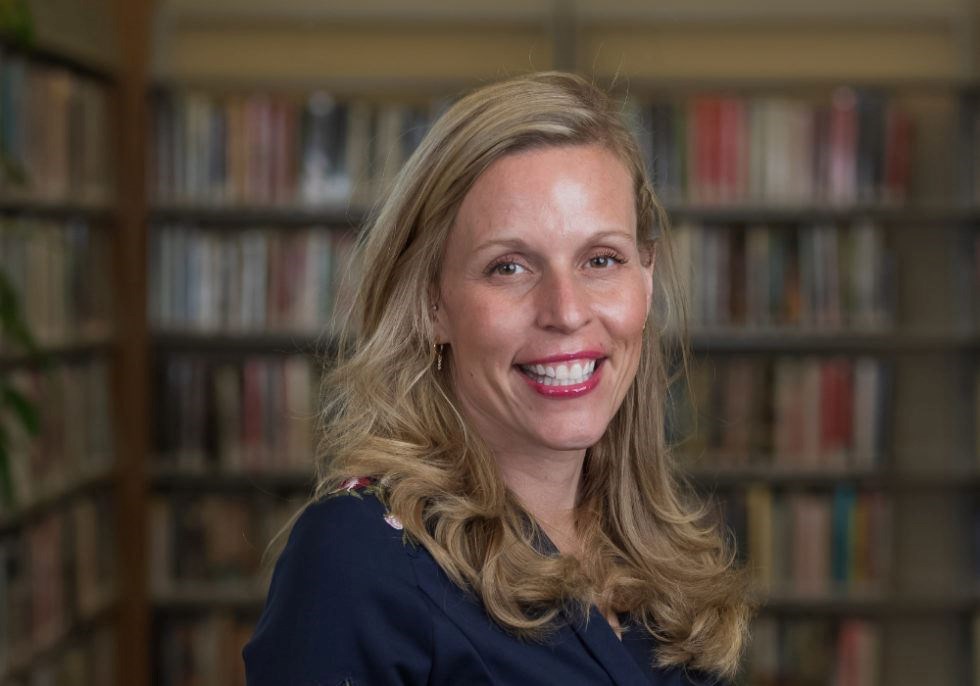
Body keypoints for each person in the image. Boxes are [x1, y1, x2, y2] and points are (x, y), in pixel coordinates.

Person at [243, 71, 752, 685]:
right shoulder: (358, 560)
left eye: (601, 260)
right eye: (508, 267)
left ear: (645, 279)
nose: (565, 311)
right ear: (432, 304)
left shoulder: (666, 560)